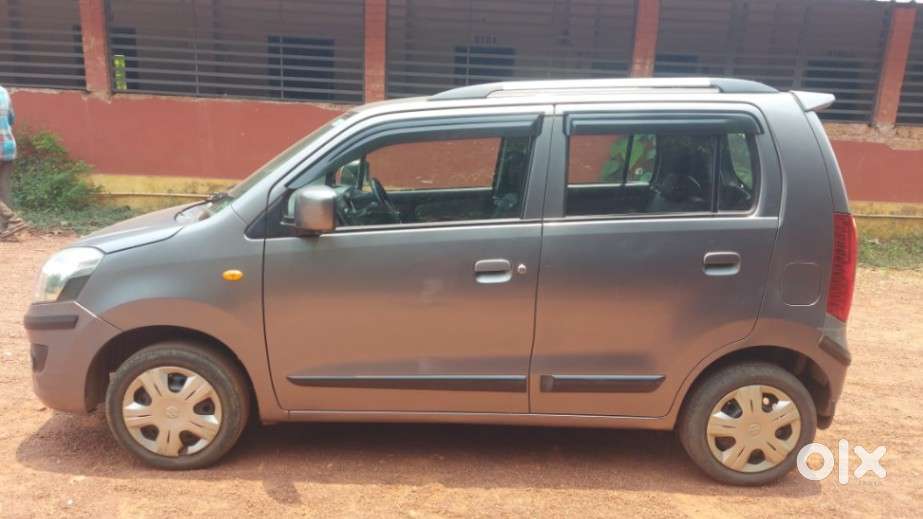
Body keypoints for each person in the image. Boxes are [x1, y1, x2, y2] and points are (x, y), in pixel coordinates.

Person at [0, 85, 26, 240]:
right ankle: (7, 231)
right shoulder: (3, 91)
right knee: (3, 189)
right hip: (8, 145)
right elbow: (11, 118)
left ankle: (13, 220)